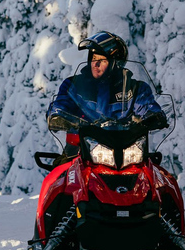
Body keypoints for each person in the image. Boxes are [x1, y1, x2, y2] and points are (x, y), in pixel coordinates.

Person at [47, 31, 168, 163]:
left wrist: (153, 116)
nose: (95, 64)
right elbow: (61, 104)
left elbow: (145, 105)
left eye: (102, 60)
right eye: (93, 59)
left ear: (115, 63)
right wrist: (58, 115)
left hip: (126, 153)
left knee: (158, 178)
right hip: (80, 152)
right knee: (58, 177)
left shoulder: (134, 88)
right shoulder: (73, 86)